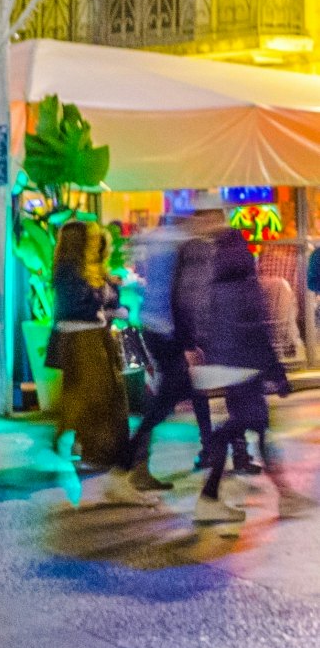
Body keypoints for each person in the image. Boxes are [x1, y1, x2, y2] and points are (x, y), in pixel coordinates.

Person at [188, 228, 303, 527]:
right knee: (253, 426)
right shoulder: (247, 286)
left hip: (224, 369)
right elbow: (258, 335)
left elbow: (203, 327)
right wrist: (277, 374)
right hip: (246, 369)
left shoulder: (213, 286)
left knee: (254, 427)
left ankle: (215, 495)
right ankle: (280, 495)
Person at [46, 218, 156, 508]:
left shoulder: (83, 269)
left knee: (98, 396)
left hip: (93, 337)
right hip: (85, 339)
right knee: (99, 397)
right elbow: (82, 305)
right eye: (92, 238)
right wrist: (107, 305)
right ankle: (89, 447)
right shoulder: (72, 271)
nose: (97, 241)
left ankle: (88, 447)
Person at [124, 207, 220, 490]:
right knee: (165, 402)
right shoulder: (187, 246)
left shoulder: (158, 239)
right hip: (170, 332)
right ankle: (128, 464)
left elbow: (147, 282)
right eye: (212, 220)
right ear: (198, 220)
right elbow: (184, 298)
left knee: (175, 395)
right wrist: (188, 343)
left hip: (155, 326)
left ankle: (137, 465)